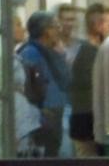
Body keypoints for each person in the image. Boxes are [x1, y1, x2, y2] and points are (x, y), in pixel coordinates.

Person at [18, 11, 71, 157]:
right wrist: (40, 111)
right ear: (46, 31)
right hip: (43, 117)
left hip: (55, 114)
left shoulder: (51, 52)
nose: (59, 30)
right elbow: (27, 88)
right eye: (55, 26)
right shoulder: (31, 53)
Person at [69, 5, 109, 157]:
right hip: (87, 118)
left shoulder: (97, 49)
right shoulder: (88, 51)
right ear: (97, 25)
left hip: (94, 116)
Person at [10, 15, 43, 157]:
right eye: (17, 25)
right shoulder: (3, 59)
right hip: (16, 122)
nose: (22, 29)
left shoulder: (15, 56)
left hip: (25, 121)